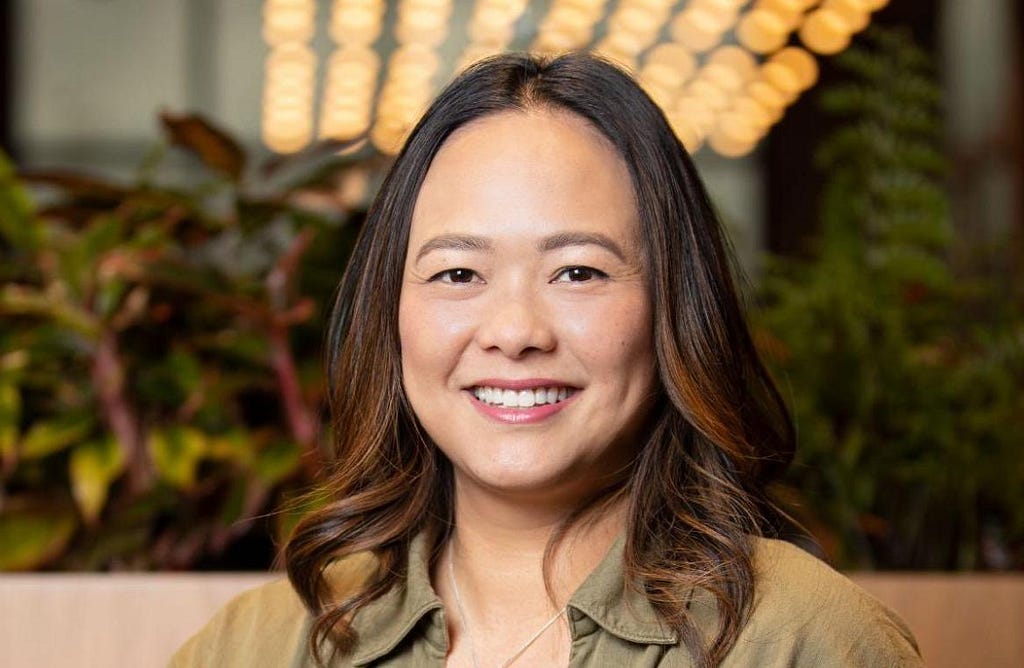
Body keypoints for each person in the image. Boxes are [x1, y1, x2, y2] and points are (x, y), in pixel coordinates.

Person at [171, 52, 923, 667]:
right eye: (458, 274)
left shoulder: (798, 639)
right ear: (390, 315)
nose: (514, 331)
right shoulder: (258, 646)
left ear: (673, 308)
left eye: (579, 272)